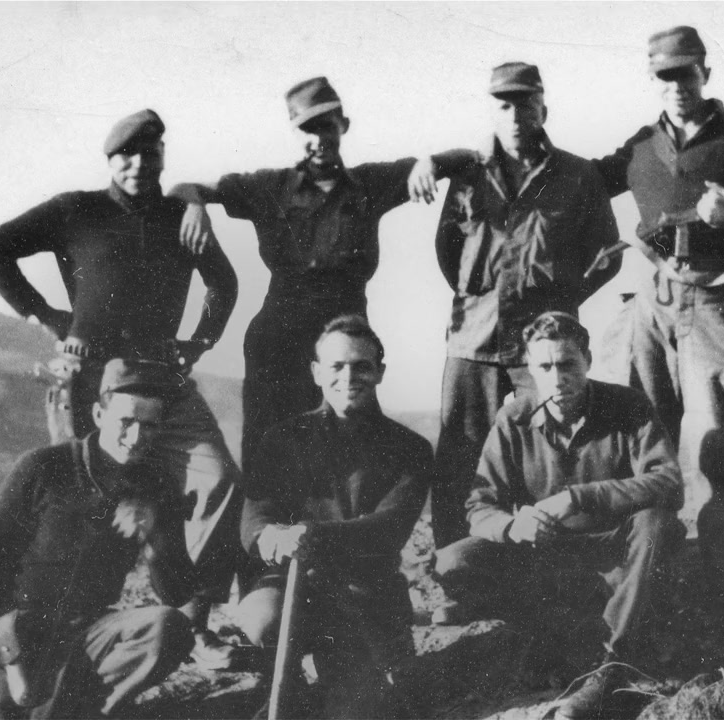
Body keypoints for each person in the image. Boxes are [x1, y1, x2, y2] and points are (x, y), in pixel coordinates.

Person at [0, 109, 245, 634]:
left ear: (163, 156)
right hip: (88, 379)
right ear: (110, 160)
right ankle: (61, 630)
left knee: (219, 480)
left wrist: (201, 341)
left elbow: (224, 284)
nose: (138, 164)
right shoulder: (75, 209)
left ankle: (195, 622)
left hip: (161, 376)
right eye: (126, 155)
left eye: (149, 153)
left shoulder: (180, 217)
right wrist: (50, 317)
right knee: (82, 501)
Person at [590, 26, 724, 659]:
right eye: (665, 75)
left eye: (686, 73)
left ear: (705, 73)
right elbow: (575, 184)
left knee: (722, 458)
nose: (677, 86)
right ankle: (637, 608)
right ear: (652, 79)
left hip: (717, 302)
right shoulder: (639, 145)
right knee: (634, 452)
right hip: (648, 305)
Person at [170, 77, 447, 473]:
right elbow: (184, 188)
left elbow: (459, 161)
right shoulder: (269, 187)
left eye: (326, 126)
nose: (318, 139)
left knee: (347, 451)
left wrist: (430, 164)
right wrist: (196, 205)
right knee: (268, 452)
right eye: (307, 129)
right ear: (295, 133)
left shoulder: (370, 184)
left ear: (344, 126)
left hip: (347, 342)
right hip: (279, 339)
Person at [413, 62, 622, 559]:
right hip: (474, 339)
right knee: (462, 453)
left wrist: (561, 304)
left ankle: (554, 559)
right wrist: (478, 297)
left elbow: (607, 254)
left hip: (543, 347)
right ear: (493, 112)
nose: (514, 116)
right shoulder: (467, 174)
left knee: (553, 444)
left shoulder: (577, 174)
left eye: (525, 105)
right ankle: (460, 566)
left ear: (543, 110)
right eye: (504, 106)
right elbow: (448, 248)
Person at [434, 312, 684, 720]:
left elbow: (669, 483)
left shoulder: (628, 406)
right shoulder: (514, 419)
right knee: (454, 561)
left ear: (588, 360)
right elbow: (480, 506)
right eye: (545, 366)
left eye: (567, 364)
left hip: (617, 558)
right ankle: (548, 633)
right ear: (530, 368)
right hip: (548, 559)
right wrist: (513, 526)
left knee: (656, 523)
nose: (557, 378)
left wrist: (579, 498)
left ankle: (613, 665)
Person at [0, 360, 197, 720]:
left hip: (87, 635)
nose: (137, 436)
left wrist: (155, 540)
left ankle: (69, 709)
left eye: (149, 425)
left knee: (167, 628)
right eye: (126, 421)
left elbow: (178, 594)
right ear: (99, 415)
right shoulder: (45, 467)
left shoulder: (157, 484)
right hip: (11, 638)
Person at [236, 315, 432, 719]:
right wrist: (269, 536)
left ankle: (338, 685)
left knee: (358, 709)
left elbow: (389, 528)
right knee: (261, 617)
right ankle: (287, 684)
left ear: (380, 372)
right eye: (337, 366)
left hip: (366, 593)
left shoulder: (410, 448)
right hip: (293, 585)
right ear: (316, 372)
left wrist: (311, 534)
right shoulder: (283, 438)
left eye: (361, 366)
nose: (349, 377)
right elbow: (256, 512)